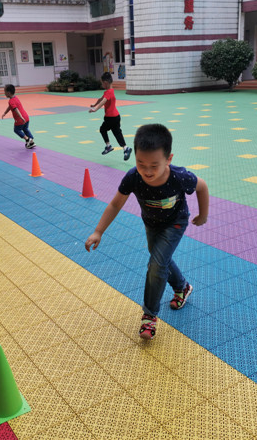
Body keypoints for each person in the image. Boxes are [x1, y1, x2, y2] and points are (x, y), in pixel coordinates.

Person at [85, 124, 209, 339]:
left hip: (175, 223)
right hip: (151, 224)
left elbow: (202, 186)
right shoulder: (133, 177)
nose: (147, 171)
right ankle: (182, 287)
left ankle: (149, 316)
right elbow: (115, 204)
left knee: (157, 263)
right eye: (141, 163)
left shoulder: (179, 176)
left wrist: (203, 215)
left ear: (168, 159)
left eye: (154, 165)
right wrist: (98, 231)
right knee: (160, 259)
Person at [89, 71, 131, 161]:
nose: (101, 85)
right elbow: (101, 99)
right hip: (116, 116)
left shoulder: (108, 93)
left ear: (106, 83)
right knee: (117, 133)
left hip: (110, 117)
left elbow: (103, 101)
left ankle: (108, 146)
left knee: (102, 129)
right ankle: (126, 148)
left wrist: (95, 109)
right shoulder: (110, 91)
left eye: (102, 83)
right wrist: (94, 104)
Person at [2, 84, 35, 149]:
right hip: (26, 117)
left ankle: (27, 139)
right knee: (25, 129)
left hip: (20, 119)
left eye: (5, 91)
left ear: (8, 93)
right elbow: (10, 107)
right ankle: (31, 141)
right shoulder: (15, 98)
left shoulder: (11, 101)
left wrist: (21, 117)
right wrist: (5, 113)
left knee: (16, 130)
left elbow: (15, 109)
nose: (4, 93)